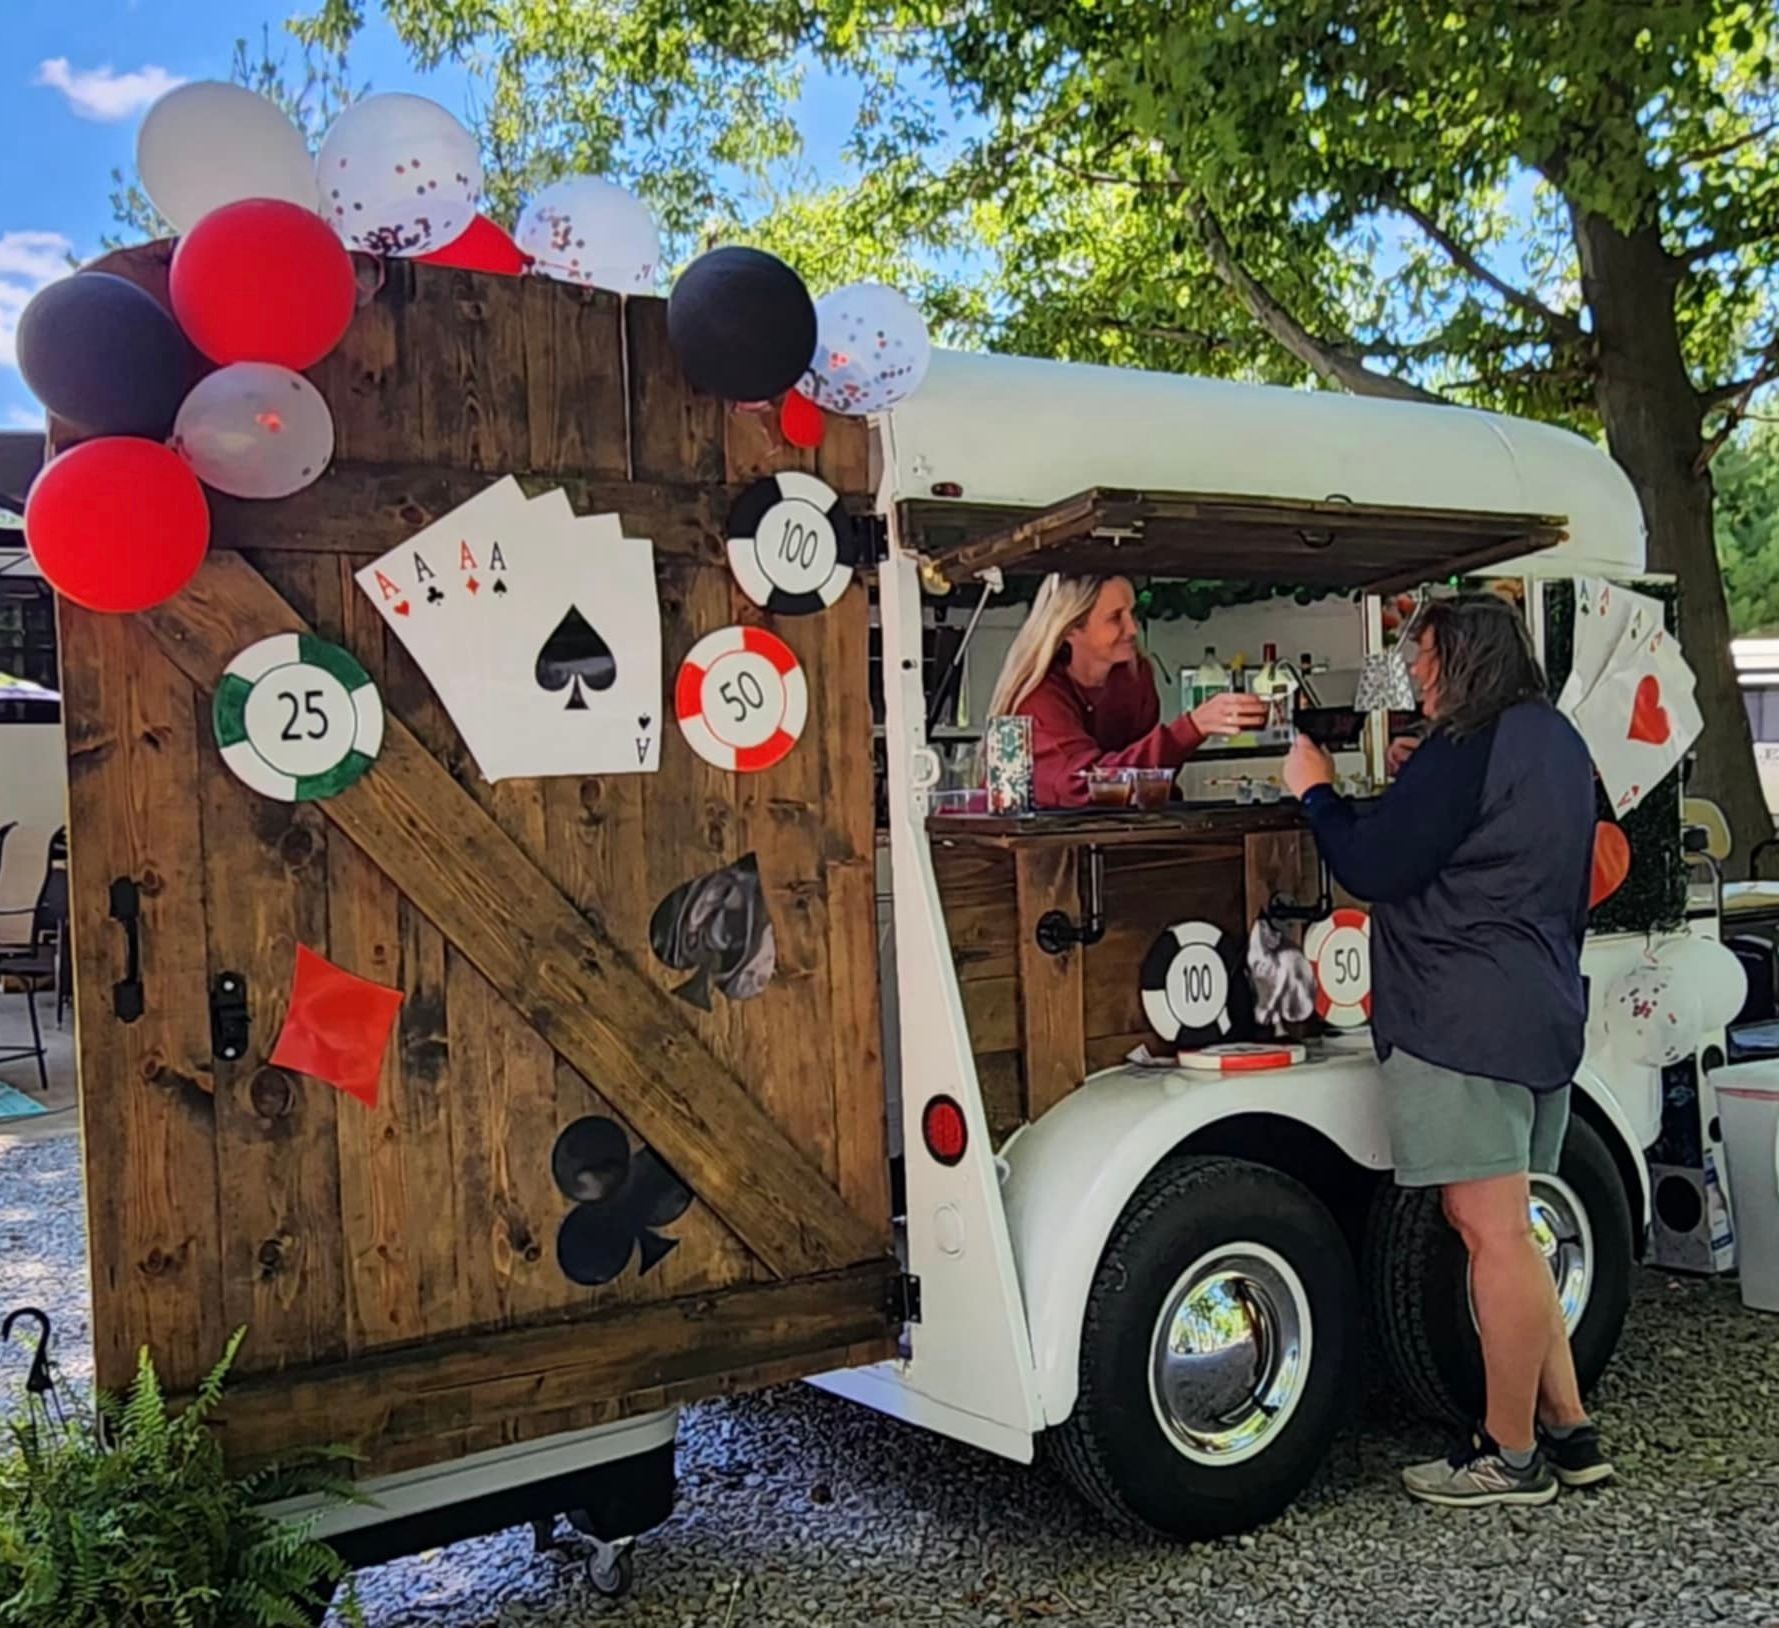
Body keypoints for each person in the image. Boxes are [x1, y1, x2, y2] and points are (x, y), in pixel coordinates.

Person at [1282, 594, 1609, 1509]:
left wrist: (1313, 787)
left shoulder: (1468, 748)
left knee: (1493, 1237)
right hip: (1539, 1006)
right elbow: (1488, 831)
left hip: (1459, 1016)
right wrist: (1419, 776)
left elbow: (1374, 865)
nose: (1417, 677)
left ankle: (1506, 1457)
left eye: (1424, 662)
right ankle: (1568, 1429)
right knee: (1516, 1236)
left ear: (1459, 661)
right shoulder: (1554, 740)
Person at [986, 574, 1266, 807]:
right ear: (1071, 628)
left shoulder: (1134, 676)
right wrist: (1191, 727)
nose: (1132, 628)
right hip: (1045, 854)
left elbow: (1148, 780)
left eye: (1132, 613)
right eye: (1115, 617)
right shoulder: (1039, 695)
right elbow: (1083, 786)